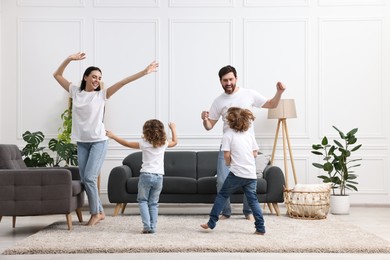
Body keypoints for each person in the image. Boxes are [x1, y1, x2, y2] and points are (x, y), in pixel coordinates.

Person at [53, 52, 159, 226]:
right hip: (82, 142)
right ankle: (100, 211)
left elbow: (123, 82)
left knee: (89, 178)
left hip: (98, 141)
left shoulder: (101, 95)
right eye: (93, 76)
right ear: (86, 77)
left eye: (99, 77)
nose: (97, 80)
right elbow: (57, 75)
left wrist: (144, 72)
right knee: (86, 178)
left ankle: (96, 213)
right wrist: (69, 59)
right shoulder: (75, 91)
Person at [201, 65, 285, 220]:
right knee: (221, 180)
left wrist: (279, 92)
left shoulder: (249, 94)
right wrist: (205, 119)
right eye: (225, 80)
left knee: (250, 179)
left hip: (247, 145)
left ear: (236, 79)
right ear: (220, 81)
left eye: (231, 79)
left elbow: (272, 104)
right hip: (227, 145)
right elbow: (209, 126)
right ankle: (226, 212)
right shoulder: (218, 101)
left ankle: (248, 211)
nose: (228, 82)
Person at [201, 107, 265, 235]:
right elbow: (255, 152)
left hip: (236, 173)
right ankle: (260, 228)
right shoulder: (249, 135)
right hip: (251, 175)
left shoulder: (228, 135)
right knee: (253, 200)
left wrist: (229, 164)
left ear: (230, 121)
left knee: (222, 196)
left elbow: (226, 155)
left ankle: (211, 222)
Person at [106, 120, 177, 234]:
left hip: (146, 175)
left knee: (143, 201)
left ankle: (146, 226)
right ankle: (153, 227)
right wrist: (173, 128)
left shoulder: (144, 143)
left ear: (146, 131)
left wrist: (114, 136)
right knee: (153, 203)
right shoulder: (164, 143)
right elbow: (175, 142)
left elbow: (127, 144)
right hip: (159, 177)